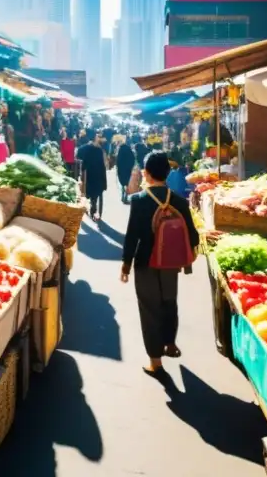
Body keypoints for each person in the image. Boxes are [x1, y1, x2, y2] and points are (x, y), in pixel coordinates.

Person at [121, 152, 199, 373]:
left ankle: (155, 361)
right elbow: (192, 235)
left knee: (149, 308)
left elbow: (131, 236)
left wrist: (126, 265)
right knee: (169, 301)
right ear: (167, 172)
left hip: (145, 262)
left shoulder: (139, 200)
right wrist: (188, 256)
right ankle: (170, 342)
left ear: (146, 173)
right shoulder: (179, 201)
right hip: (170, 264)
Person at [77, 129, 108, 220]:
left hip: (86, 176)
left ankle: (87, 204)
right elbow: (103, 165)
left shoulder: (82, 149)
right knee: (95, 193)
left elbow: (78, 160)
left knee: (85, 190)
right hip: (97, 177)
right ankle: (93, 205)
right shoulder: (99, 150)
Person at [116, 139, 137, 203]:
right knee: (127, 183)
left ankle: (123, 196)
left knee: (123, 184)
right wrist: (131, 167)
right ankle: (125, 197)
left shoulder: (120, 150)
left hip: (121, 169)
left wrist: (118, 168)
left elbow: (118, 160)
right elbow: (132, 158)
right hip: (128, 169)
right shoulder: (128, 149)